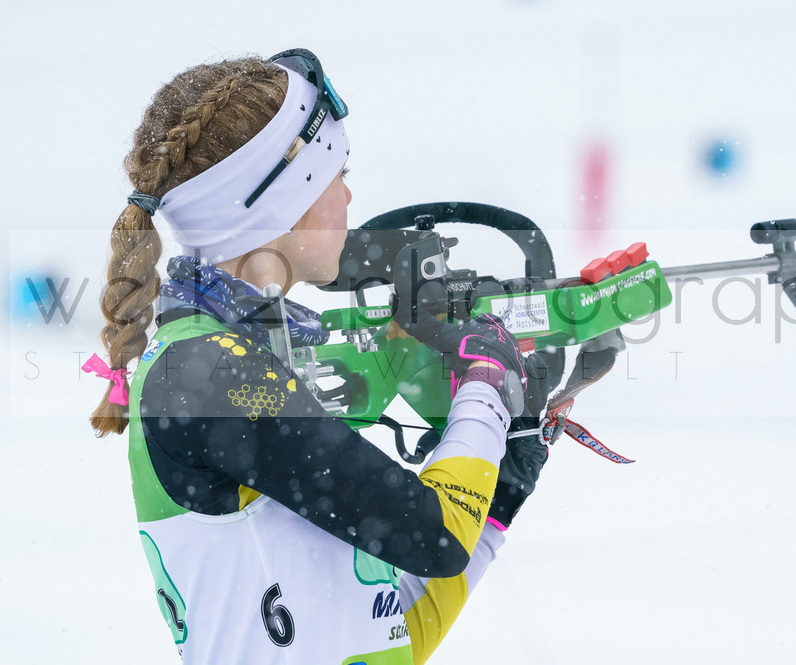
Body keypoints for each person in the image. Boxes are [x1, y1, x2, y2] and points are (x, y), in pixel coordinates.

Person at [87, 49, 548, 665]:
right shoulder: (209, 372)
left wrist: (499, 498)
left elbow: (382, 637)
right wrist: (486, 385)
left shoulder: (234, 359)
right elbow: (434, 534)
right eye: (339, 173)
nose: (350, 196)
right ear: (282, 199)